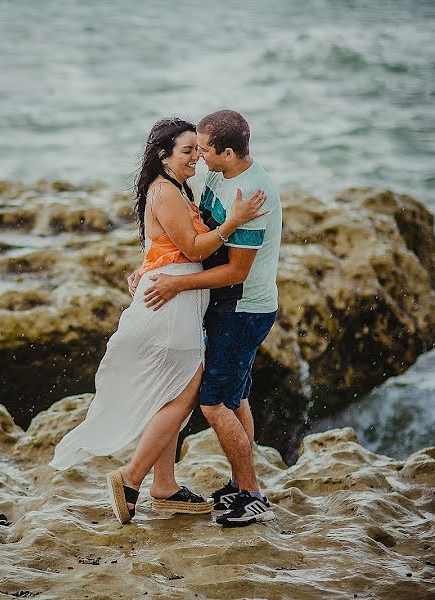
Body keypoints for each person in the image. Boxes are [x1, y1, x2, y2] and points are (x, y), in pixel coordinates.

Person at [49, 117, 267, 525]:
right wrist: (234, 221)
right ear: (163, 156)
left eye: (198, 150)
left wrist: (146, 265)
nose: (196, 158)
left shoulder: (178, 187)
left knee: (172, 391)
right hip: (171, 305)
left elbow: (165, 246)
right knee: (184, 394)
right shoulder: (164, 191)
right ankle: (131, 480)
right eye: (187, 151)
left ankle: (163, 484)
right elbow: (192, 245)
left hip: (178, 299)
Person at [143, 109, 282, 525]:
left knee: (214, 402)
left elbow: (237, 271)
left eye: (204, 149)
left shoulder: (254, 196)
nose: (199, 156)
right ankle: (241, 485)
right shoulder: (222, 176)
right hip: (225, 305)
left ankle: (252, 493)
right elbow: (196, 227)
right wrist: (152, 267)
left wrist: (174, 284)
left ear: (227, 151)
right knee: (236, 397)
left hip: (243, 309)